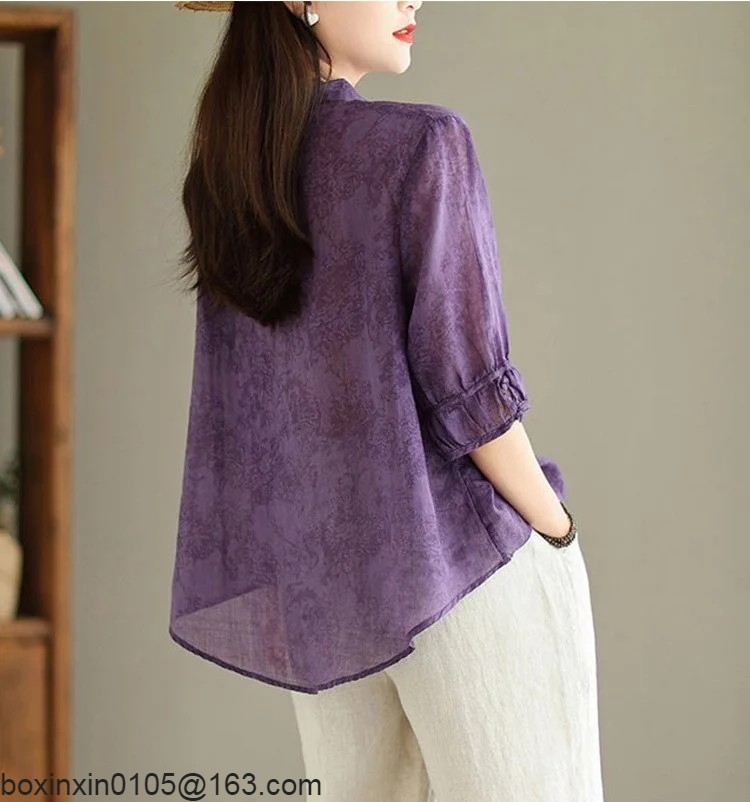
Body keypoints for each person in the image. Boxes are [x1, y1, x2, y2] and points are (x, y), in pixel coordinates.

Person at [169, 2, 604, 800]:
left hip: (328, 593)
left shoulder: (225, 181)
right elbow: (470, 391)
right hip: (461, 570)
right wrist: (557, 530)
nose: (413, 0)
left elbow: (261, 419)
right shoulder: (422, 144)